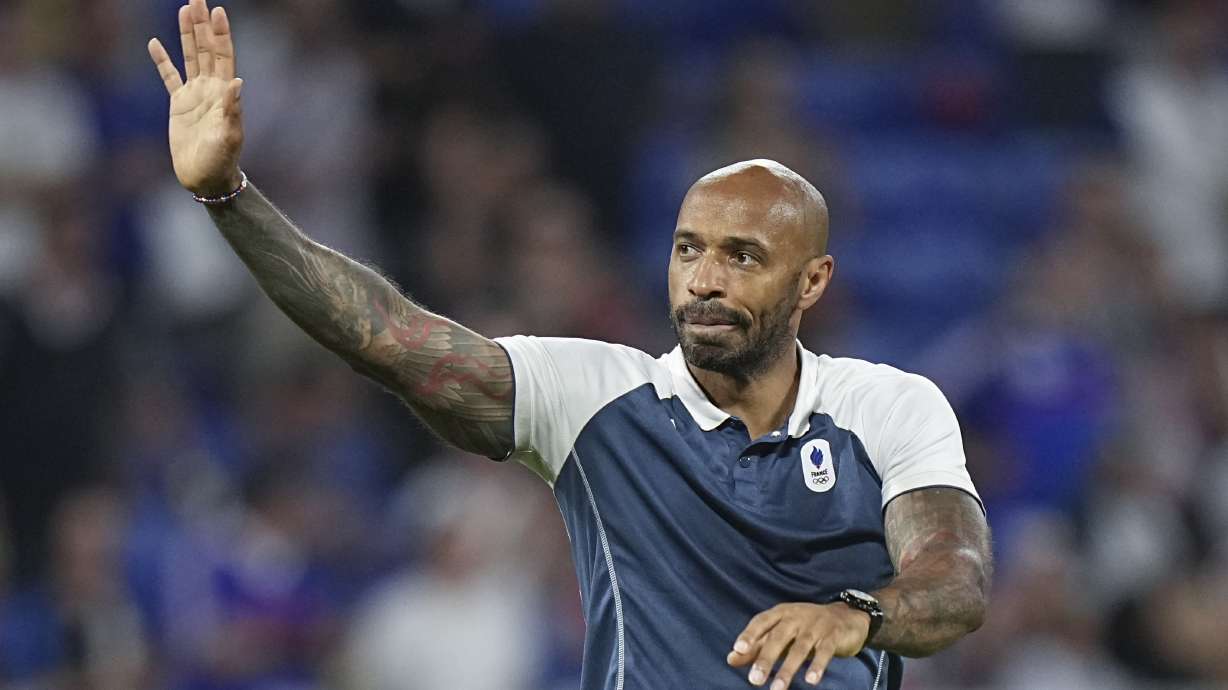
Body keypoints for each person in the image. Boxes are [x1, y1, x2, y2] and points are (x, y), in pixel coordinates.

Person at [146, 2, 992, 688]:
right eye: (687, 250)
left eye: (742, 257)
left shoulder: (887, 406)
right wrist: (229, 196)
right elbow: (389, 337)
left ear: (812, 282)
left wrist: (855, 616)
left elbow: (955, 579)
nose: (703, 280)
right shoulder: (596, 397)